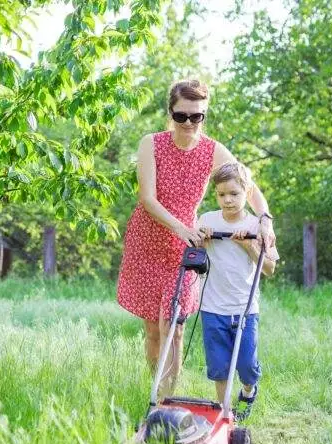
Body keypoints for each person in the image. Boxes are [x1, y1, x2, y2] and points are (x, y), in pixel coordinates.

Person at [116, 79, 276, 396]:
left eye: (196, 116)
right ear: (170, 113)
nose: (189, 123)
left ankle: (167, 400)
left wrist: (266, 220)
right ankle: (157, 393)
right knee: (152, 329)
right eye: (181, 116)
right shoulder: (152, 143)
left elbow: (250, 187)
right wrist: (180, 228)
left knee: (173, 327)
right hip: (148, 242)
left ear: (204, 115)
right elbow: (147, 198)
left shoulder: (213, 150)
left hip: (185, 247)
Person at [198, 162, 278, 420]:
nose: (228, 200)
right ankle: (224, 414)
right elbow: (196, 258)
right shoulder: (207, 220)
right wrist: (202, 241)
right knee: (219, 367)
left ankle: (248, 390)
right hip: (212, 307)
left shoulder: (257, 226)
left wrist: (249, 246)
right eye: (221, 194)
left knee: (246, 367)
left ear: (247, 192)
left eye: (234, 194)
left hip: (245, 308)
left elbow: (269, 270)